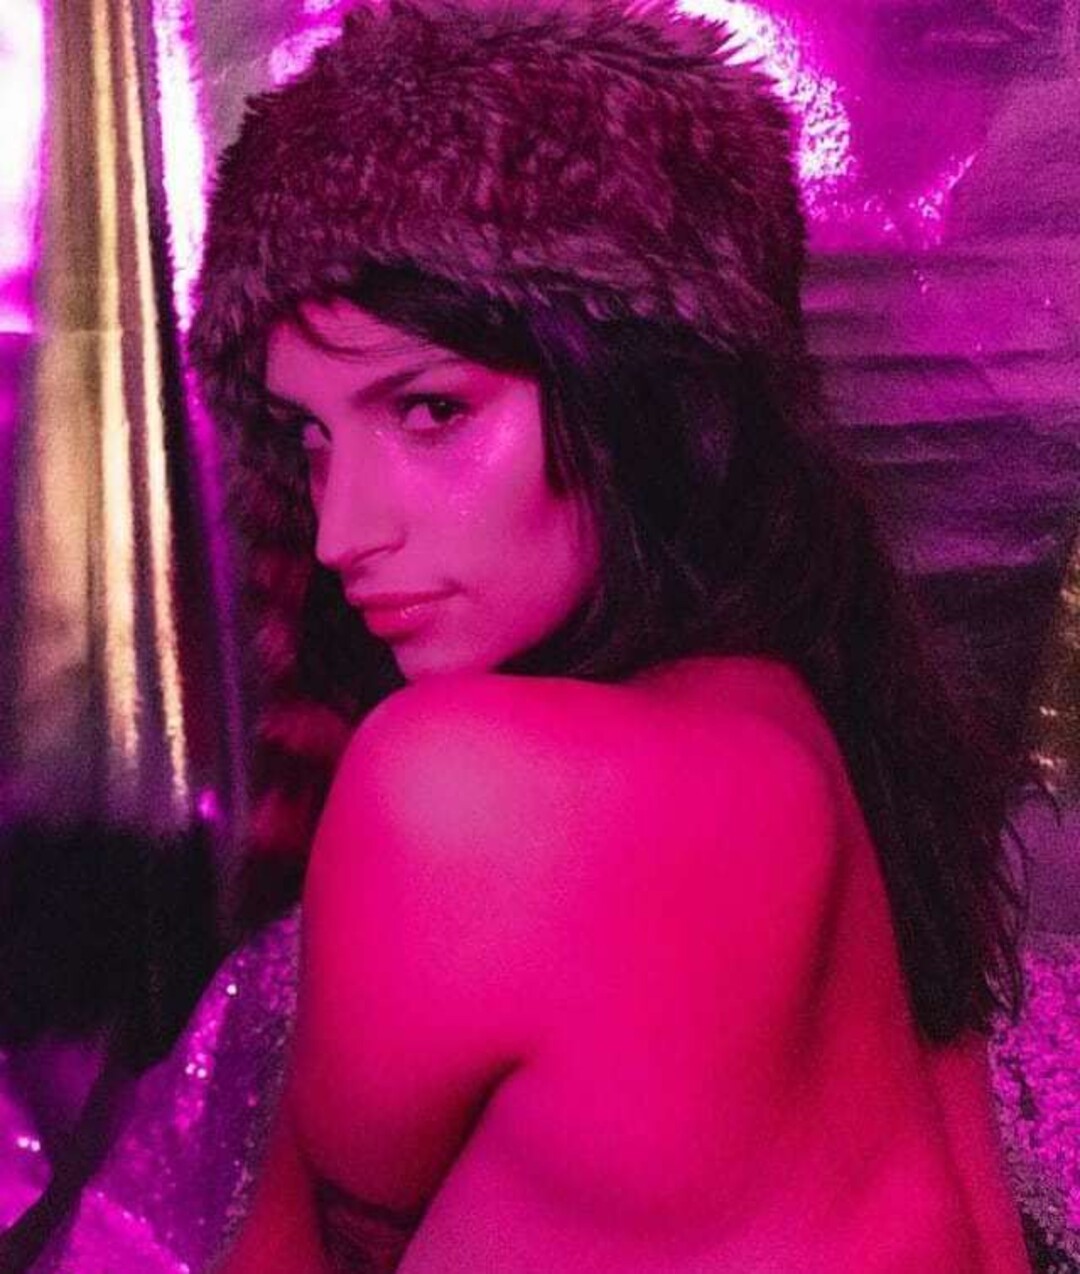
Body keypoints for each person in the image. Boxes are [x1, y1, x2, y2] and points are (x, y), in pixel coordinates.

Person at [188, 1, 1039, 1269]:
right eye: (310, 436)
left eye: (428, 410)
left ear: (648, 397)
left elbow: (306, 1238)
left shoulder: (460, 782)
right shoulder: (813, 712)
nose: (339, 533)